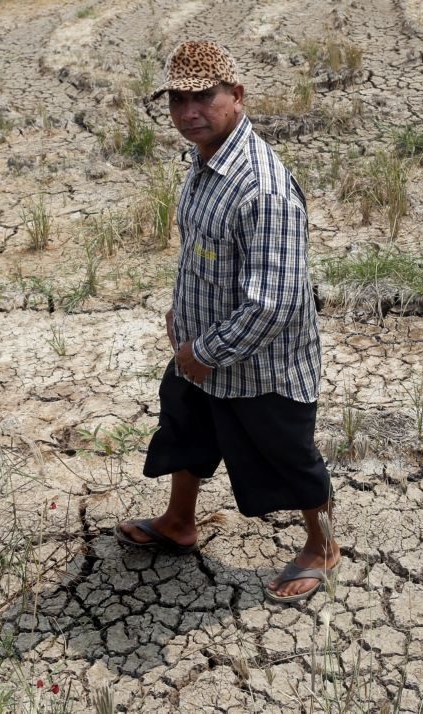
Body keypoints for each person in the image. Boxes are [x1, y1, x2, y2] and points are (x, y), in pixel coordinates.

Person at [114, 40, 338, 604]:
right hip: (199, 349)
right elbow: (201, 251)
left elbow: (275, 302)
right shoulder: (205, 159)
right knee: (186, 432)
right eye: (178, 100)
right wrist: (180, 315)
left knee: (290, 459)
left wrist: (205, 351)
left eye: (203, 98)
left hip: (258, 365)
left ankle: (322, 546)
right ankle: (178, 523)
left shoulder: (262, 188)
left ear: (236, 96)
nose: (189, 112)